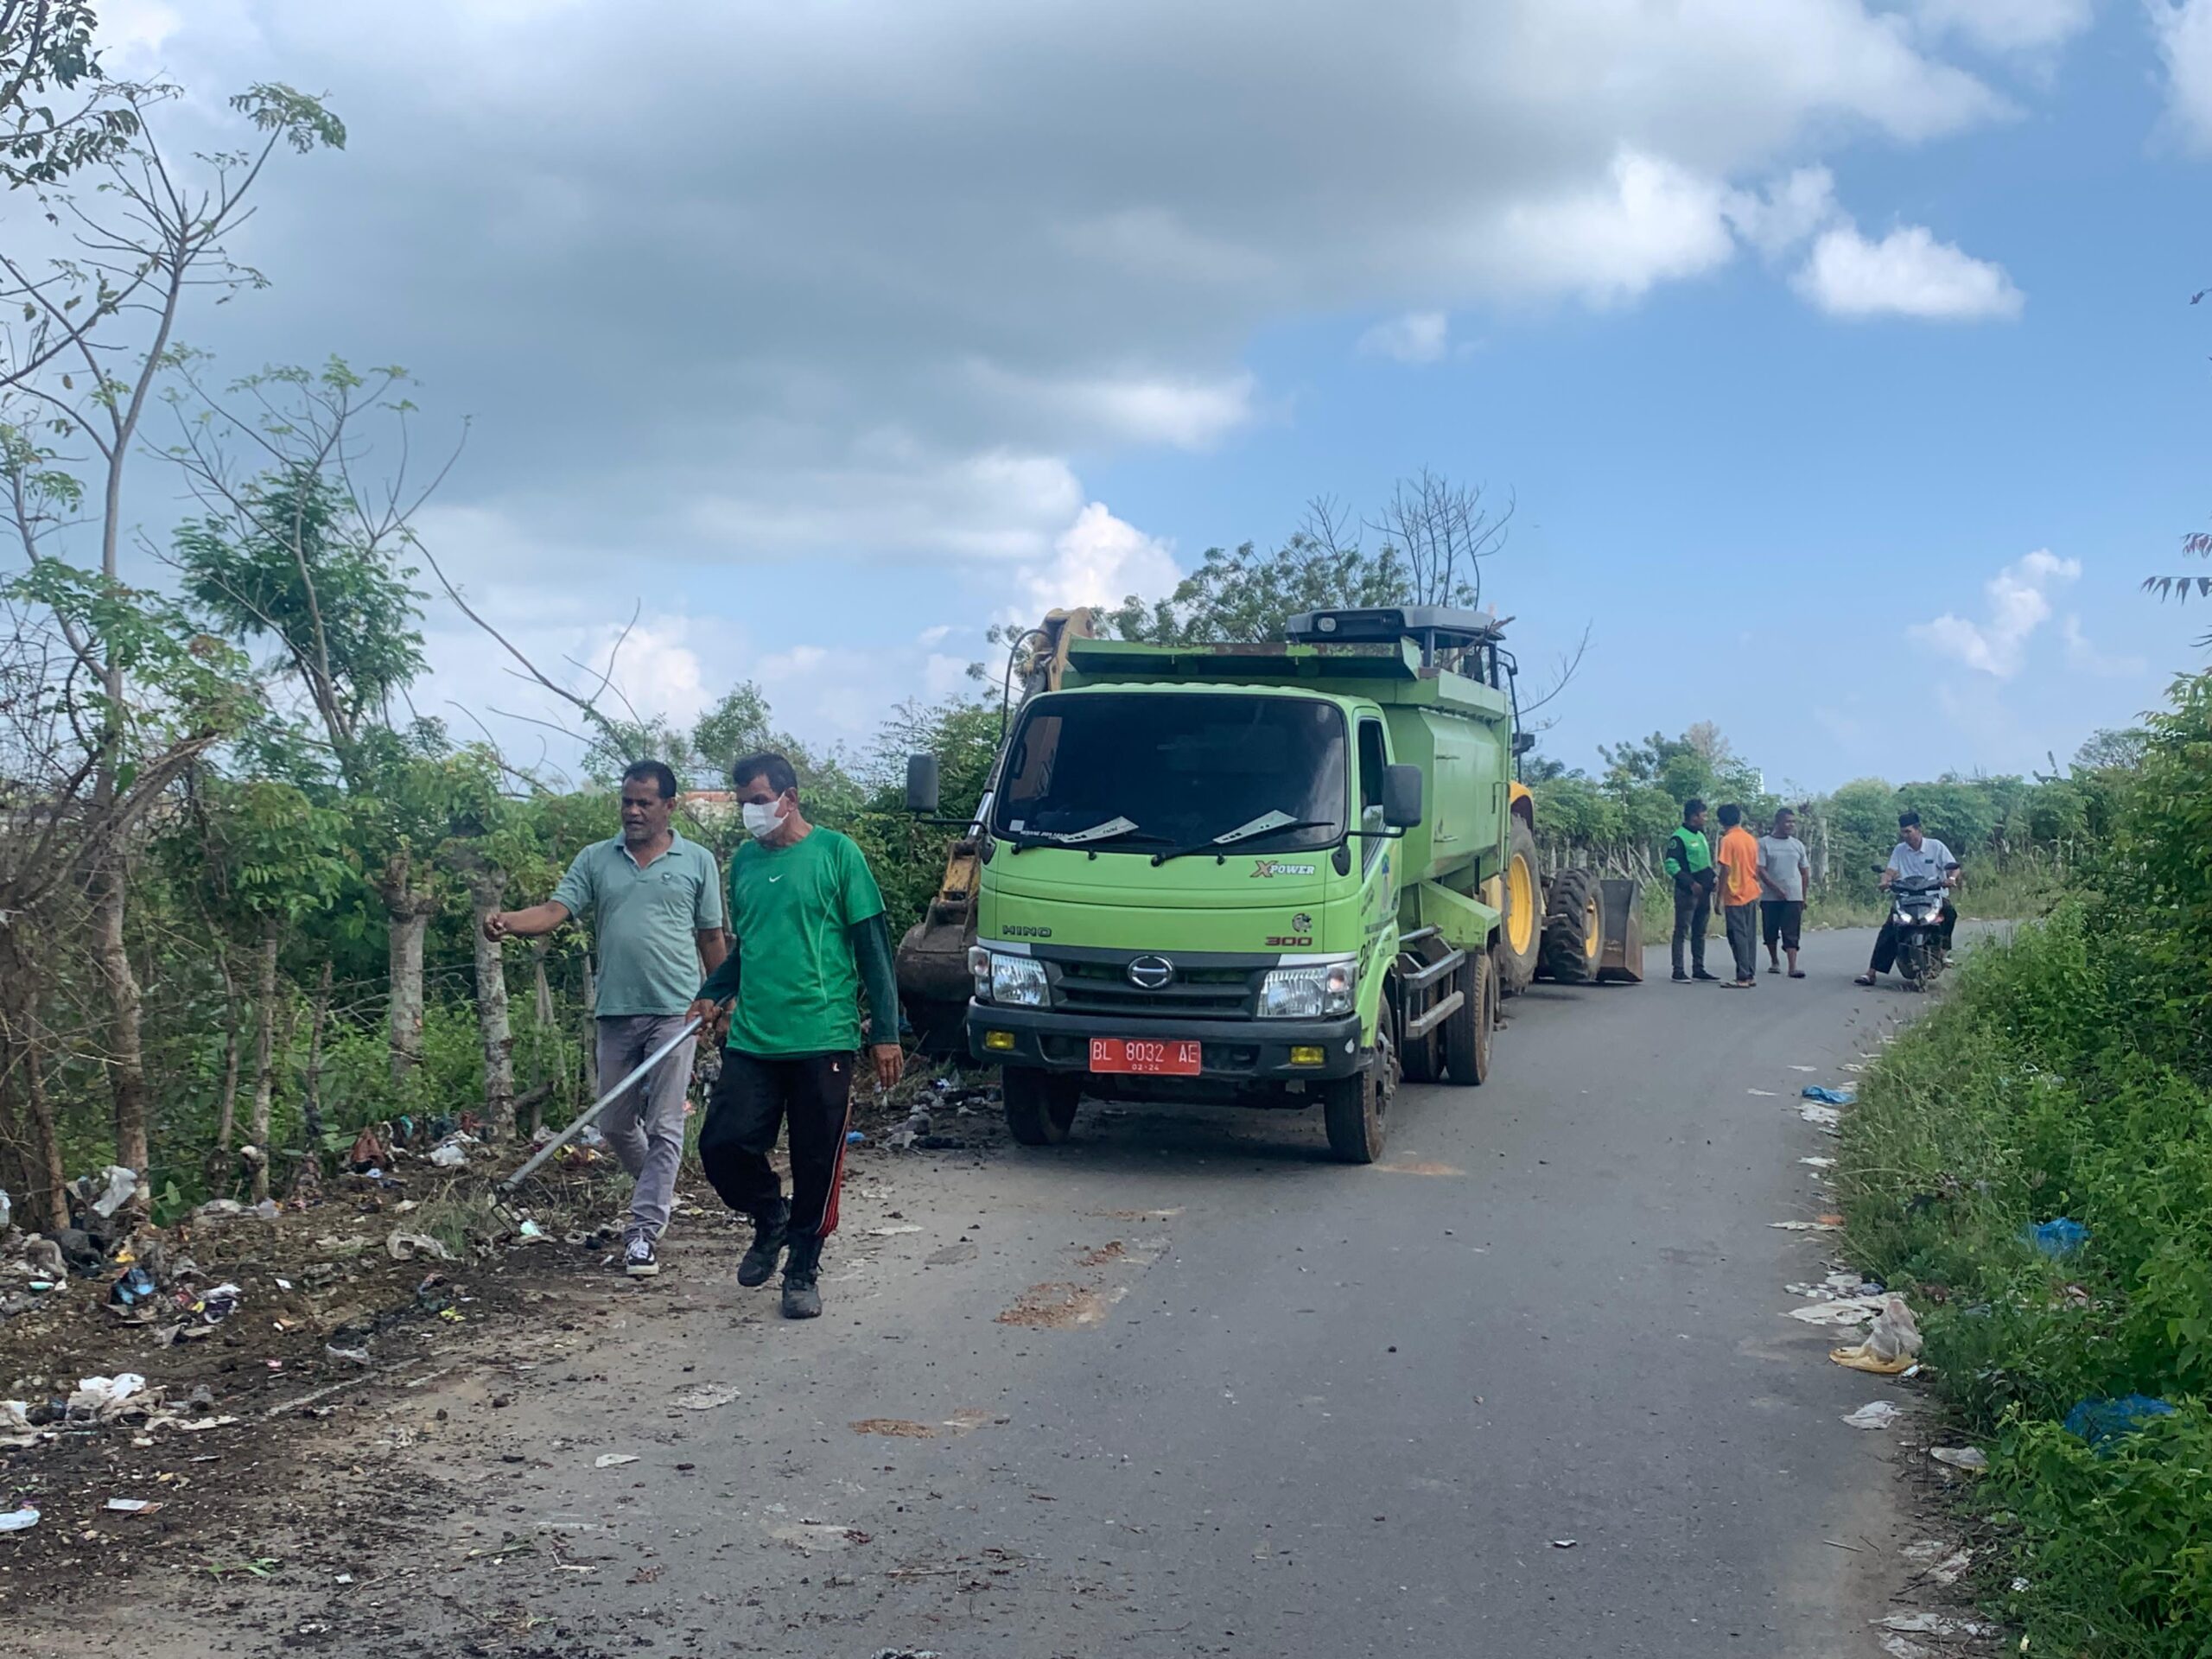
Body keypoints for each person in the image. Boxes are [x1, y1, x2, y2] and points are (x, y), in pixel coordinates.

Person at [486, 760, 727, 1279]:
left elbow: (711, 936)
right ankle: (656, 1190)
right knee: (614, 1123)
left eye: (644, 802)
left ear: (669, 806)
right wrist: (508, 923)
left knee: (664, 1124)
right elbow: (555, 910)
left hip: (676, 1010)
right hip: (616, 1009)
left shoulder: (697, 860)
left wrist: (721, 999)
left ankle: (643, 1231)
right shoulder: (597, 858)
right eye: (627, 801)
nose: (633, 811)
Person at [685, 753, 906, 1320]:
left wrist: (885, 1032)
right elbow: (746, 950)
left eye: (758, 800)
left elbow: (873, 951)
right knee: (722, 1145)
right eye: (743, 804)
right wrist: (712, 992)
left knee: (816, 1162)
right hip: (755, 1038)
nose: (750, 814)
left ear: (789, 796)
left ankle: (802, 1267)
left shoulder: (838, 854)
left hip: (823, 1035)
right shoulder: (745, 866)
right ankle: (769, 1217)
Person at [1855, 810, 1961, 988]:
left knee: (1950, 913)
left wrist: (1951, 879)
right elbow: (1890, 871)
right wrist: (1884, 882)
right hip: (1906, 898)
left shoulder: (1936, 846)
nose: (1905, 836)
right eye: (1902, 832)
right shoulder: (1899, 850)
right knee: (1889, 929)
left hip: (1933, 896)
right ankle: (1871, 972)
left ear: (1918, 830)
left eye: (1908, 831)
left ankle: (1943, 951)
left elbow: (1953, 867)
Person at [1664, 798, 1719, 982]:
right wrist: (1690, 884)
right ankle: (1678, 970)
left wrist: (1713, 878)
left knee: (1700, 931)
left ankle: (1699, 968)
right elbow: (1671, 865)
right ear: (1694, 816)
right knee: (1682, 931)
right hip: (1688, 892)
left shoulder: (1700, 835)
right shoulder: (1678, 837)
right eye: (1704, 815)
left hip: (1704, 891)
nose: (1706, 818)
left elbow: (1705, 862)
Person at [1758, 806, 1812, 979]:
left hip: (1793, 895)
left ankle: (1793, 966)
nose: (1791, 825)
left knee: (1791, 931)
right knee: (1770, 930)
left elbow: (1804, 872)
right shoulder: (1764, 843)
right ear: (1778, 822)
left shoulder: (1797, 845)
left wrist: (1803, 896)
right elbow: (1761, 869)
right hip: (1770, 896)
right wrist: (1775, 888)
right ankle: (1774, 961)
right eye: (1788, 821)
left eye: (1793, 822)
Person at [1714, 804, 1763, 988]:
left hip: (1735, 893)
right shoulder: (1750, 839)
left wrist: (1719, 897)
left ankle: (1743, 976)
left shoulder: (1728, 841)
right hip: (1751, 890)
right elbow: (1755, 866)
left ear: (1721, 821)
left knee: (1737, 936)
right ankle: (1749, 973)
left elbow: (1725, 868)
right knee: (1749, 935)